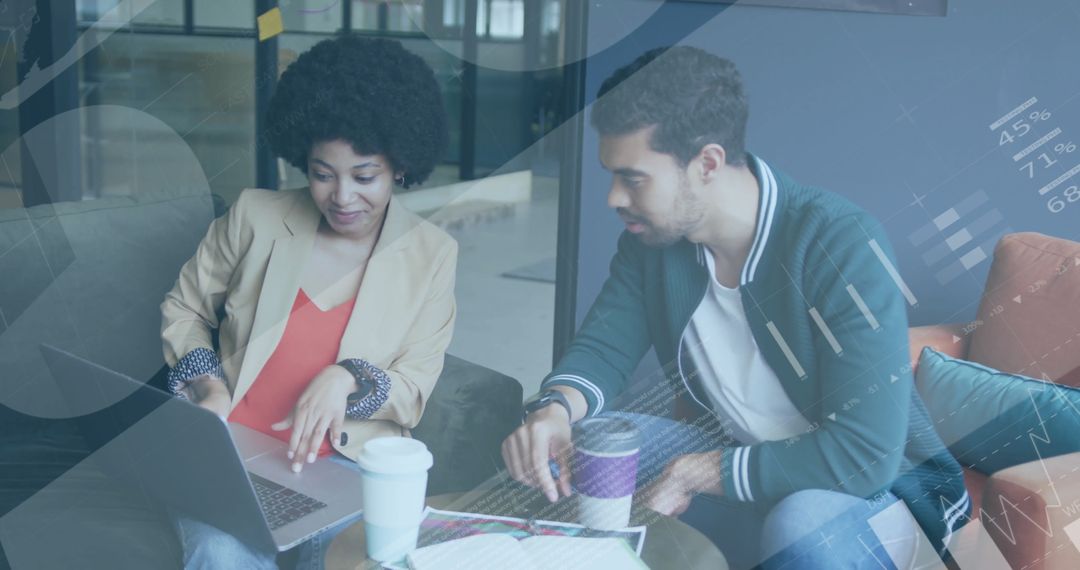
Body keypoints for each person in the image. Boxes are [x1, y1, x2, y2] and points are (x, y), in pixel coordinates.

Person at [502, 46, 969, 569]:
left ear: (707, 163)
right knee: (578, 452)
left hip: (877, 496)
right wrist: (553, 411)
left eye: (632, 178)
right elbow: (603, 349)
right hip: (749, 467)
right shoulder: (653, 242)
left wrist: (696, 473)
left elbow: (866, 455)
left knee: (800, 525)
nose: (613, 197)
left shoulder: (838, 241)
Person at [160, 36, 456, 569]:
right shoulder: (254, 217)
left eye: (364, 176)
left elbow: (413, 387)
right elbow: (185, 310)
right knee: (219, 555)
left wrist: (347, 378)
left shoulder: (431, 255)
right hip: (234, 458)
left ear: (400, 166)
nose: (341, 197)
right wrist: (209, 389)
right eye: (322, 174)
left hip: (346, 472)